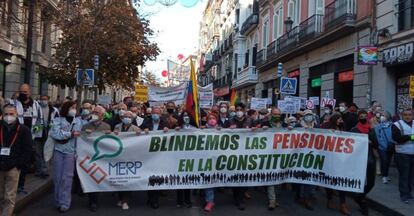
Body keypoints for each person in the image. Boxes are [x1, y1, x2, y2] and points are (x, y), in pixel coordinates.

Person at [0, 105, 33, 216]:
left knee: (9, 197)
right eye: (6, 114)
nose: (8, 117)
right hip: (0, 165)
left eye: (11, 114)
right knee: (0, 195)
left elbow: (27, 150)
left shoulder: (24, 130)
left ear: (16, 115)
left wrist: (18, 164)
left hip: (14, 167)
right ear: (2, 115)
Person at [49, 101, 82, 213]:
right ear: (66, 109)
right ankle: (57, 200)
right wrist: (70, 134)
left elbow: (82, 134)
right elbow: (55, 134)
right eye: (72, 107)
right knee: (57, 177)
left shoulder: (78, 121)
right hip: (58, 151)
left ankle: (65, 203)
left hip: (71, 152)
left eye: (75, 108)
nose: (74, 109)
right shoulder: (58, 120)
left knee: (67, 178)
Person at [10, 84, 41, 194]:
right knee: (14, 161)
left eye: (26, 92)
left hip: (29, 137)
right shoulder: (13, 103)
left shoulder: (36, 105)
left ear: (30, 92)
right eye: (22, 92)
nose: (24, 94)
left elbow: (39, 121)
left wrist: (37, 132)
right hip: (15, 137)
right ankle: (12, 184)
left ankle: (21, 185)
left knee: (25, 162)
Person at [81, 106, 111, 212]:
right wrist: (85, 134)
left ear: (102, 115)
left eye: (98, 112)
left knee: (99, 178)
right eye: (94, 112)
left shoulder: (106, 126)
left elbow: (110, 142)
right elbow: (81, 140)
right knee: (91, 178)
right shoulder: (85, 126)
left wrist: (109, 134)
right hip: (89, 157)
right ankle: (92, 201)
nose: (95, 113)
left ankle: (96, 199)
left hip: (101, 157)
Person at [322, 113, 351, 215]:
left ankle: (342, 204)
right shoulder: (326, 127)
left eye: (341, 119)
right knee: (329, 179)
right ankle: (330, 199)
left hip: (341, 159)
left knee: (341, 181)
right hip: (330, 158)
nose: (340, 120)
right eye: (338, 119)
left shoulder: (343, 127)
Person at [141, 106, 168, 209]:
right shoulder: (146, 122)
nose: (155, 114)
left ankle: (155, 200)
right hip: (148, 155)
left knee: (156, 177)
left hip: (160, 155)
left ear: (160, 114)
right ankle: (150, 197)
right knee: (149, 176)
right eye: (153, 113)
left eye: (157, 113)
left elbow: (173, 133)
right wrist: (144, 130)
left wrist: (167, 130)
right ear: (151, 114)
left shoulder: (164, 123)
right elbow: (139, 132)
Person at [350, 110, 377, 215]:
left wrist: (372, 135)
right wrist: (365, 141)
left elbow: (376, 144)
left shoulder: (371, 129)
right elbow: (352, 144)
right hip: (359, 159)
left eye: (365, 116)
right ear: (358, 118)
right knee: (360, 181)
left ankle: (359, 198)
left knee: (371, 183)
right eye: (361, 116)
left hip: (370, 158)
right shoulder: (354, 129)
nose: (363, 118)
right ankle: (362, 202)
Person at [113, 111, 140, 210]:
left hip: (130, 157)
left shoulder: (136, 129)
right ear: (122, 118)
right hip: (119, 156)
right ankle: (120, 199)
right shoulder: (117, 127)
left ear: (132, 119)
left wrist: (139, 134)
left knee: (128, 179)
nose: (127, 118)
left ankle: (125, 201)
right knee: (120, 179)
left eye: (129, 117)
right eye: (125, 116)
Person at [229, 103, 251, 210]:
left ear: (244, 110)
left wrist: (261, 128)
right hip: (233, 153)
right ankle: (236, 197)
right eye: (236, 109)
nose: (238, 111)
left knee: (244, 177)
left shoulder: (250, 120)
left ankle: (240, 199)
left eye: (240, 109)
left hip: (246, 153)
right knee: (235, 176)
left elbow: (260, 126)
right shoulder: (231, 120)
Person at [295, 109, 317, 211]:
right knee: (301, 177)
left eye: (310, 115)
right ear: (303, 117)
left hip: (312, 155)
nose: (309, 117)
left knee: (309, 177)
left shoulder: (316, 126)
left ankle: (306, 197)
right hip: (300, 155)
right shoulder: (298, 126)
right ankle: (300, 196)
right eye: (307, 115)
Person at [391, 108, 414, 204]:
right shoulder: (397, 125)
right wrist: (411, 137)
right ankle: (404, 195)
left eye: (410, 115)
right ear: (402, 115)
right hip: (402, 154)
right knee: (404, 175)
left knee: (411, 175)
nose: (408, 116)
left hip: (413, 154)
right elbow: (397, 138)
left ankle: (409, 193)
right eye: (405, 115)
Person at [35, 95, 59, 178]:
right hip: (38, 133)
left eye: (45, 99)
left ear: (48, 100)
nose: (43, 101)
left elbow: (57, 120)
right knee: (38, 152)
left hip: (48, 132)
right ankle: (38, 169)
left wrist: (53, 127)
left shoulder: (54, 110)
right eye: (42, 99)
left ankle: (44, 170)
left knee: (46, 152)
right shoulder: (36, 108)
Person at [373, 111, 395, 184]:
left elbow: (394, 135)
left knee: (388, 161)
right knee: (384, 160)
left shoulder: (393, 125)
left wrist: (392, 143)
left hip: (390, 146)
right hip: (381, 147)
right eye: (381, 115)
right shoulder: (378, 126)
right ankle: (384, 176)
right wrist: (381, 144)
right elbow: (377, 137)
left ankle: (386, 174)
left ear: (388, 117)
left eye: (384, 115)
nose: (382, 116)